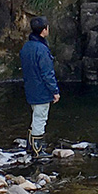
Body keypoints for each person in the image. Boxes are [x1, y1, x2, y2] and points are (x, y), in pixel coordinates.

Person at [19, 16, 60, 158]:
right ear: (44, 30)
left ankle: (30, 147)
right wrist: (55, 91)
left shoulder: (26, 47)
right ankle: (38, 151)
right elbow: (48, 74)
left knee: (35, 116)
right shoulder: (42, 50)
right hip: (41, 90)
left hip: (30, 88)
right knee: (40, 119)